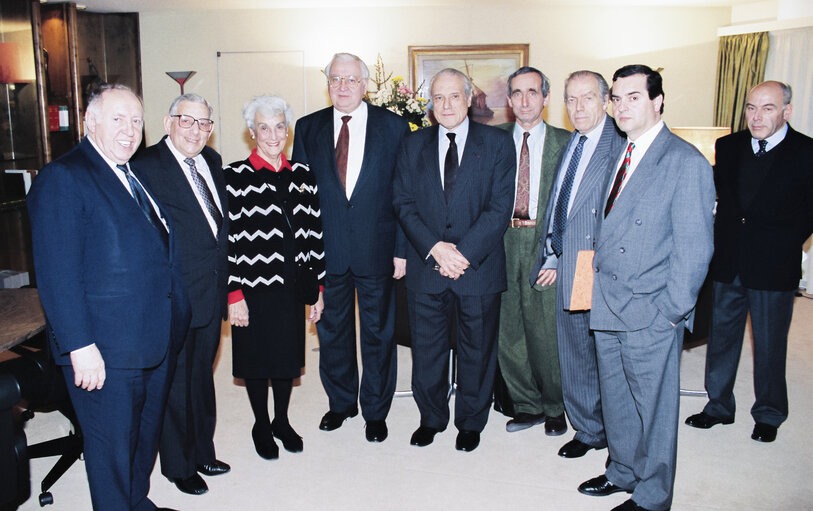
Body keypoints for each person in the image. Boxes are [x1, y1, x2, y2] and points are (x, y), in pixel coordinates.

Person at [27, 83, 187, 511]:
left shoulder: (131, 176)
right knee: (112, 453)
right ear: (90, 122)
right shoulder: (64, 177)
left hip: (150, 339)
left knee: (140, 440)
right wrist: (79, 346)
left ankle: (137, 502)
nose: (130, 130)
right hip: (103, 350)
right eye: (118, 119)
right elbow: (57, 274)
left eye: (136, 121)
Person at [577, 65, 715, 511]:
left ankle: (654, 495)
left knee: (655, 411)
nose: (621, 106)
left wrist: (670, 313)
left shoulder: (685, 162)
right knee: (617, 400)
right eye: (616, 98)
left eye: (633, 97)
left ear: (658, 101)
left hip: (651, 309)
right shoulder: (622, 151)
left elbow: (694, 250)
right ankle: (622, 471)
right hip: (609, 302)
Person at [393, 68, 516, 452]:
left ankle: (470, 422)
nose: (446, 105)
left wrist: (461, 254)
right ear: (431, 104)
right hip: (427, 266)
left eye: (454, 97)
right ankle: (431, 418)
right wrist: (436, 248)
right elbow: (402, 201)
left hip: (476, 268)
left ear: (468, 100)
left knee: (477, 350)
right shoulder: (413, 145)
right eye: (438, 98)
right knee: (427, 351)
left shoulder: (497, 143)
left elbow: (500, 208)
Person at [685, 81, 813, 443]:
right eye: (751, 108)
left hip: (774, 266)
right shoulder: (727, 147)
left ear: (786, 111)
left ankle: (769, 412)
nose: (757, 117)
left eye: (768, 108)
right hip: (728, 262)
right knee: (722, 339)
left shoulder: (806, 152)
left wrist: (785, 244)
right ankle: (718, 406)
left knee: (770, 344)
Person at [292, 53, 408, 443]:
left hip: (378, 250)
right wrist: (305, 258)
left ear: (365, 84)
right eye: (335, 79)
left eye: (350, 79)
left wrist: (402, 250)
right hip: (327, 254)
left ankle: (376, 411)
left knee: (378, 333)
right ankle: (341, 404)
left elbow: (404, 195)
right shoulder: (307, 128)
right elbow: (301, 199)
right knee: (332, 333)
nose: (342, 86)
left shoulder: (393, 127)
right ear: (328, 83)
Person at [133, 93, 230, 496]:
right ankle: (177, 465)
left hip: (210, 289)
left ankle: (202, 449)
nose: (196, 131)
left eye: (204, 123)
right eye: (186, 121)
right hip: (173, 295)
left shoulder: (213, 161)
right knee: (174, 383)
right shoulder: (145, 167)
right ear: (168, 122)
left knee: (201, 377)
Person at [530, 70, 625, 458]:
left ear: (605, 100)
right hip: (565, 258)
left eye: (587, 98)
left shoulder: (618, 144)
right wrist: (552, 253)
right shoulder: (572, 141)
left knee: (598, 353)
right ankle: (588, 428)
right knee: (572, 350)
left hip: (592, 263)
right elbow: (561, 204)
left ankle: (609, 431)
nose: (578, 107)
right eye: (571, 99)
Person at [225, 95, 325, 460]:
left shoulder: (302, 175)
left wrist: (319, 289)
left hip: (291, 287)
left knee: (285, 358)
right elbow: (228, 242)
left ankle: (281, 420)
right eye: (264, 127)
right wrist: (233, 292)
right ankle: (260, 423)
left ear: (288, 130)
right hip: (252, 290)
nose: (273, 134)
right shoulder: (233, 178)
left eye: (279, 126)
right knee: (255, 359)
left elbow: (314, 234)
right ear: (252, 132)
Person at [497, 66, 570, 435]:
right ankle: (526, 405)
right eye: (517, 93)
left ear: (545, 97)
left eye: (532, 92)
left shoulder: (567, 142)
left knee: (545, 331)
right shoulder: (490, 140)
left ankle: (555, 405)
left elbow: (577, 203)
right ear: (509, 101)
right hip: (500, 243)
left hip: (544, 243)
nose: (525, 100)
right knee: (508, 330)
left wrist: (560, 254)